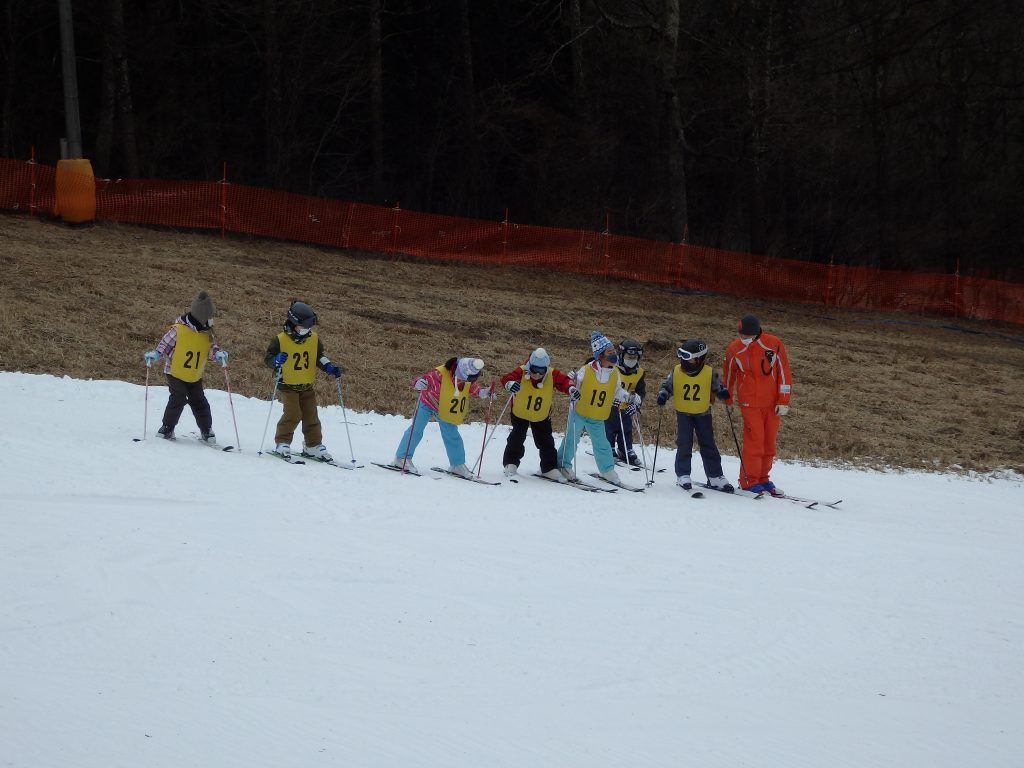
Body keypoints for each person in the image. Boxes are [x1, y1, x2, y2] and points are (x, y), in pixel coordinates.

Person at [720, 314, 792, 495]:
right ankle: (748, 480)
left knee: (769, 443)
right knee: (755, 442)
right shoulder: (734, 349)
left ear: (756, 333)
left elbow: (783, 372)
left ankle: (763, 479)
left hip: (772, 404)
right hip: (749, 403)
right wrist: (727, 400)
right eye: (741, 336)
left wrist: (784, 399)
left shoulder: (773, 344)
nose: (743, 339)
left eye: (746, 336)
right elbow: (728, 375)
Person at [263, 300, 343, 461]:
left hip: (306, 385)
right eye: (303, 326)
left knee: (311, 415)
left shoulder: (313, 338)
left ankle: (312, 445)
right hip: (288, 384)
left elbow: (318, 356)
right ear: (293, 323)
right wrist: (276, 360)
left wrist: (328, 367)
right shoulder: (280, 340)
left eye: (310, 327)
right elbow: (268, 359)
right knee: (293, 413)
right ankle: (283, 442)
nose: (307, 330)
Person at [144, 290, 228, 443]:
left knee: (199, 401)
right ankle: (167, 427)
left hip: (194, 375)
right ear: (200, 317)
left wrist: (218, 355)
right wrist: (156, 354)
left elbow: (210, 350)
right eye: (208, 318)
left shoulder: (207, 333)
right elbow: (165, 345)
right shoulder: (179, 329)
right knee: (178, 397)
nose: (210, 321)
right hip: (174, 371)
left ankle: (206, 429)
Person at [557, 331, 640, 483]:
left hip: (597, 415)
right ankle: (563, 464)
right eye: (610, 352)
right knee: (571, 439)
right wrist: (572, 382)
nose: (614, 354)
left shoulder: (615, 373)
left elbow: (617, 391)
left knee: (602, 444)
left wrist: (628, 397)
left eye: (614, 351)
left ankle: (607, 469)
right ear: (601, 355)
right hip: (580, 412)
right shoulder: (587, 369)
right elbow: (575, 383)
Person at [390, 357, 492, 477]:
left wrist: (481, 392)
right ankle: (401, 458)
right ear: (458, 371)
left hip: (445, 408)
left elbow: (471, 387)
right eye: (461, 378)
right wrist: (418, 383)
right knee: (416, 430)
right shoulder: (439, 374)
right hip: (427, 402)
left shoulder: (467, 378)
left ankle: (457, 464)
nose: (463, 381)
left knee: (452, 434)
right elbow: (422, 380)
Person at [655, 339, 734, 493]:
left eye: (687, 357)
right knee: (684, 444)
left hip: (703, 413)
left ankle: (715, 476)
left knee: (708, 444)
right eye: (682, 356)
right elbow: (667, 386)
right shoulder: (676, 371)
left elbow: (718, 386)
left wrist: (722, 392)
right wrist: (663, 395)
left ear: (698, 359)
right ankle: (683, 474)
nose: (683, 360)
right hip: (683, 414)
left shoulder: (710, 372)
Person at [499, 348, 574, 480]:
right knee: (516, 438)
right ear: (529, 366)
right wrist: (510, 384)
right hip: (520, 412)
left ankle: (549, 467)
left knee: (546, 441)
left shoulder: (552, 374)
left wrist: (571, 388)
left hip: (541, 415)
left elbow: (564, 381)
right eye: (534, 370)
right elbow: (506, 378)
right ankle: (511, 463)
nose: (537, 375)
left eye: (541, 371)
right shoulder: (521, 371)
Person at [604, 338, 647, 466]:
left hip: (627, 406)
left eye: (635, 357)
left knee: (627, 428)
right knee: (609, 427)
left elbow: (641, 392)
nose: (631, 360)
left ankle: (625, 449)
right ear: (621, 355)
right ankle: (608, 447)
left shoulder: (639, 373)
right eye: (629, 356)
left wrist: (636, 405)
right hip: (611, 405)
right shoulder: (612, 369)